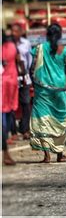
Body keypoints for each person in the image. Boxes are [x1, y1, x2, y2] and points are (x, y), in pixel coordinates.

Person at [29, 24, 66, 163]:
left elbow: (31, 68)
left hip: (42, 92)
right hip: (59, 91)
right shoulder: (64, 50)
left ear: (47, 35)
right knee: (60, 121)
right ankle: (60, 154)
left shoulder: (39, 49)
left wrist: (35, 83)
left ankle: (47, 156)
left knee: (43, 121)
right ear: (60, 36)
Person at [12, 23, 33, 140]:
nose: (14, 34)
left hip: (24, 78)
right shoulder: (8, 44)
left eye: (16, 31)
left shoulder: (26, 43)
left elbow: (29, 60)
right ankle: (13, 131)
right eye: (12, 31)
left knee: (25, 103)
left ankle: (25, 129)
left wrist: (26, 73)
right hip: (11, 78)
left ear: (20, 32)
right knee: (11, 106)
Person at [2, 30, 18, 165]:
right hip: (11, 84)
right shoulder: (12, 47)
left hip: (3, 85)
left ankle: (5, 150)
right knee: (7, 113)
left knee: (4, 116)